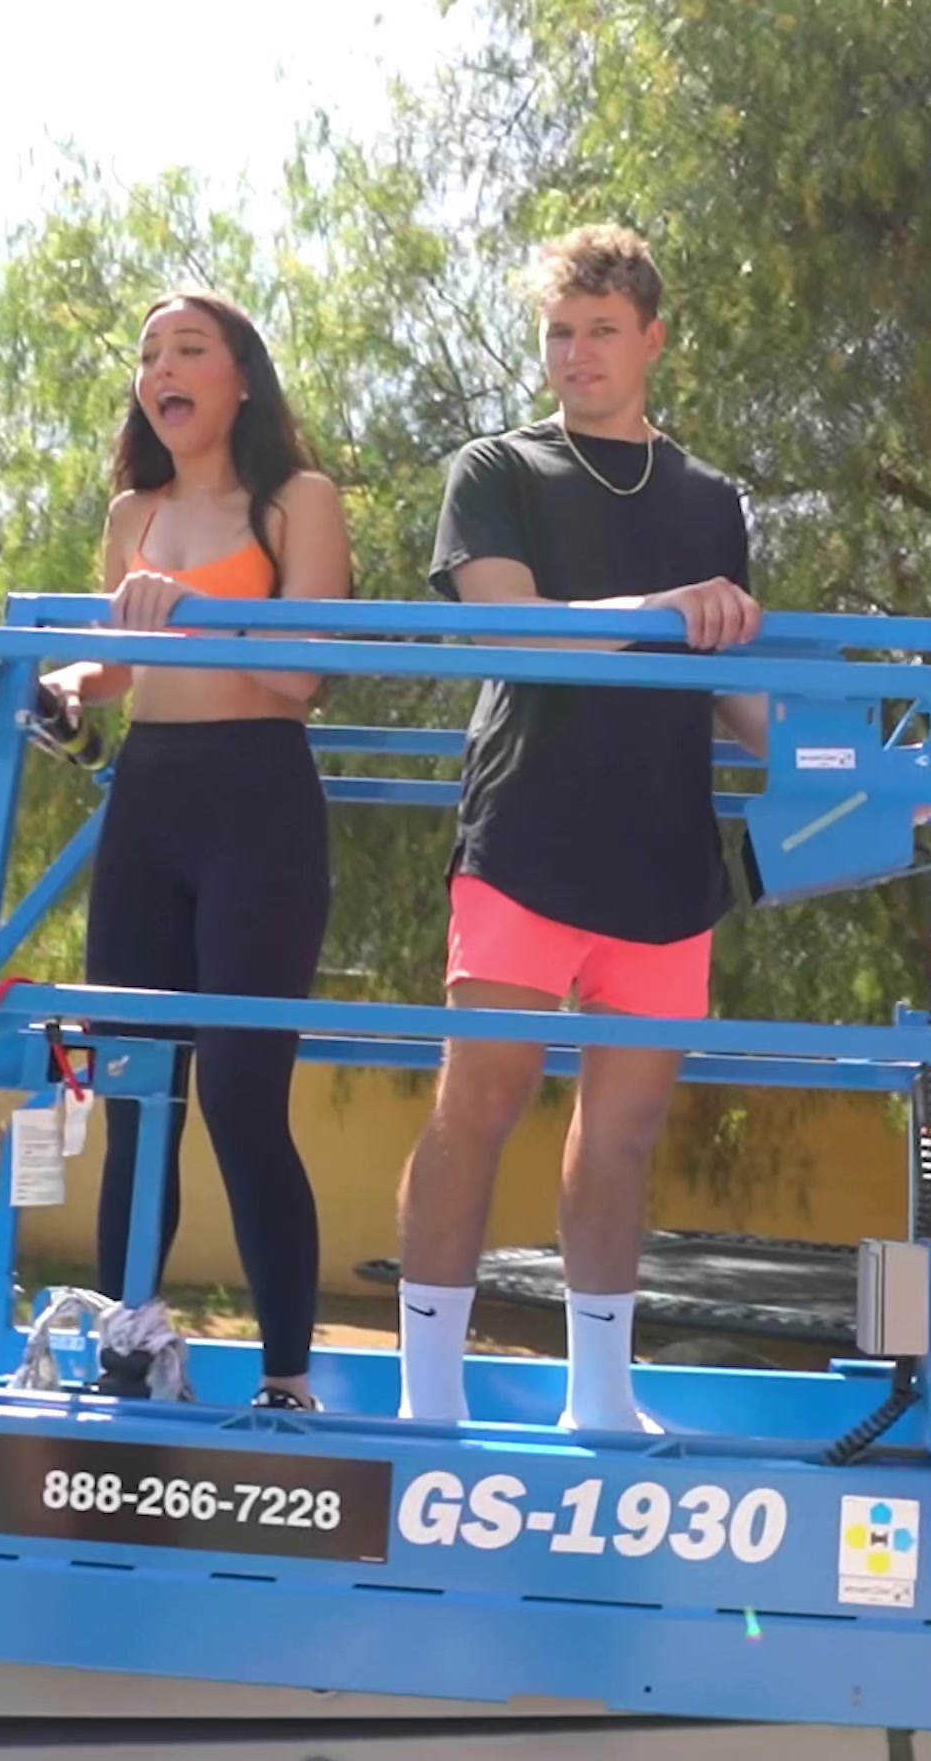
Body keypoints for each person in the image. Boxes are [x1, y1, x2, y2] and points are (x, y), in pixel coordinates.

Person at [396, 225, 767, 1432]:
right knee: (479, 1102)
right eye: (560, 331)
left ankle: (601, 1402)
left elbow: (741, 690)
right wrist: (664, 608)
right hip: (527, 836)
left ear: (652, 339)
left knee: (625, 1134)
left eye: (602, 329)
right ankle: (426, 1404)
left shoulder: (712, 498)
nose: (576, 351)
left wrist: (874, 778)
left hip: (665, 854)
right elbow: (509, 629)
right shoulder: (495, 467)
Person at [40, 291, 351, 1412]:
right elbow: (118, 663)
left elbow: (305, 672)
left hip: (259, 803)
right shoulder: (133, 512)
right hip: (150, 799)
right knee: (136, 1094)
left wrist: (192, 615)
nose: (161, 369)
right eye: (148, 355)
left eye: (188, 349)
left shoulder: (299, 500)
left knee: (242, 1096)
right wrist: (71, 686)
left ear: (242, 378)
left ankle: (287, 1380)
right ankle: (131, 1347)